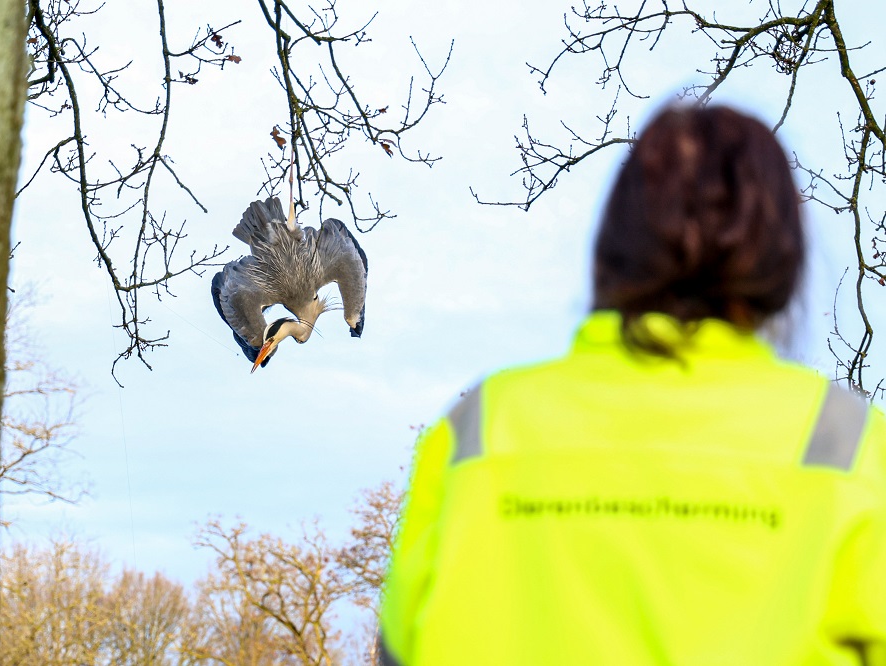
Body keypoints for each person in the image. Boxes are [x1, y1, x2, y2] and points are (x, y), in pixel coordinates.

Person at [378, 105, 886, 665]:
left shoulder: (479, 429)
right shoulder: (853, 447)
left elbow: (401, 647)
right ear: (780, 255)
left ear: (614, 243)